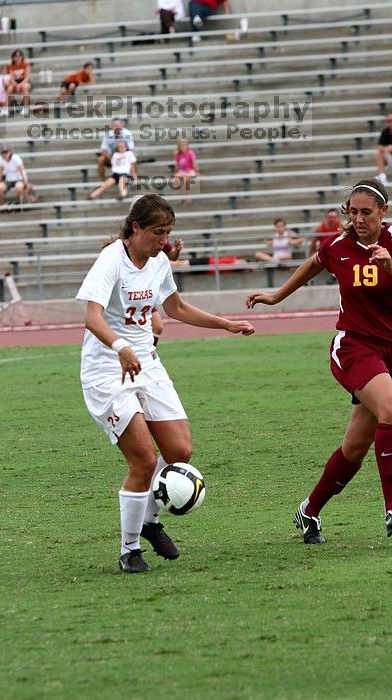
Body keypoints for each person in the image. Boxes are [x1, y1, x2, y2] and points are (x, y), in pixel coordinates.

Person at [75, 193, 255, 573]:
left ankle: (150, 519)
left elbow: (176, 308)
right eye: (158, 232)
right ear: (135, 227)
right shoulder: (111, 260)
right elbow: (92, 317)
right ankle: (129, 549)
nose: (165, 241)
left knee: (180, 450)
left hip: (147, 365)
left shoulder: (158, 262)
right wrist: (121, 346)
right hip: (107, 371)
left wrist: (226, 324)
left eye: (169, 233)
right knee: (142, 459)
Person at [246, 178, 392, 544]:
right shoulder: (338, 247)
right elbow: (313, 264)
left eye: (367, 213)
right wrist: (276, 296)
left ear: (383, 213)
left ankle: (309, 510)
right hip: (355, 348)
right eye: (353, 212)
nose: (359, 219)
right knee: (391, 410)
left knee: (355, 448)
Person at [0, 145, 28, 210]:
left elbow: (22, 170)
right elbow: (0, 172)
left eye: (6, 152)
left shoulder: (16, 158)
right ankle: (3, 206)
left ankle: (21, 204)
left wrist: (25, 181)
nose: (5, 154)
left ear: (10, 152)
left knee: (19, 188)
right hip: (8, 179)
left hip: (18, 178)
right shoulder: (0, 159)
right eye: (3, 152)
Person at [5, 49, 31, 115]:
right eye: (15, 56)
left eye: (19, 56)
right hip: (15, 82)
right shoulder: (11, 65)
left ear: (22, 57)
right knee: (9, 88)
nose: (17, 57)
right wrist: (16, 85)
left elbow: (27, 77)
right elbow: (11, 78)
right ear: (13, 57)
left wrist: (20, 85)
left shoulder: (26, 64)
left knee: (25, 87)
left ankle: (26, 108)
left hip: (24, 81)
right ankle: (6, 109)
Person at [173, 138, 199, 204]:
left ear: (187, 146)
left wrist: (197, 172)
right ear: (179, 146)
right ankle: (179, 197)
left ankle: (188, 198)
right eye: (181, 145)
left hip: (190, 171)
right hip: (182, 171)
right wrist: (177, 173)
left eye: (185, 145)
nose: (183, 146)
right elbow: (177, 166)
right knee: (176, 179)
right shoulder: (177, 154)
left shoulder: (190, 153)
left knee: (186, 179)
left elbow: (194, 164)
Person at [375, 113, 392, 187]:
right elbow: (379, 147)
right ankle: (382, 176)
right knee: (378, 153)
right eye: (388, 121)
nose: (389, 123)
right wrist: (387, 149)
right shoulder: (385, 132)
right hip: (388, 156)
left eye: (391, 120)